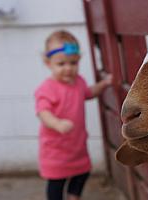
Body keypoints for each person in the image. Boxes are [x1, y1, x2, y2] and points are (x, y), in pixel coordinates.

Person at [34, 30, 112, 200]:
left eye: (73, 63)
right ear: (48, 63)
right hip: (56, 148)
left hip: (76, 145)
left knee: (82, 172)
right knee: (57, 181)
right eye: (61, 64)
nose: (68, 68)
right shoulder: (47, 88)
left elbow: (88, 93)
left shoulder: (79, 82)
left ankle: (73, 196)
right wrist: (57, 124)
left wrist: (104, 84)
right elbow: (43, 112)